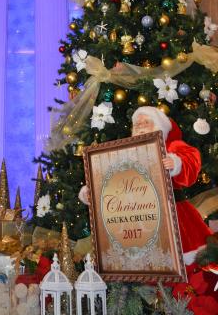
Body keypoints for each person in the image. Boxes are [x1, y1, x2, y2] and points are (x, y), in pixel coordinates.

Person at [79, 106, 212, 265]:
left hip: (172, 213)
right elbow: (110, 178)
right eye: (137, 124)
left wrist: (176, 163)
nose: (140, 126)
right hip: (135, 215)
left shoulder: (171, 146)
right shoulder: (126, 154)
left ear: (158, 126)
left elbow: (192, 161)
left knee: (176, 260)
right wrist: (92, 191)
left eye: (146, 122)